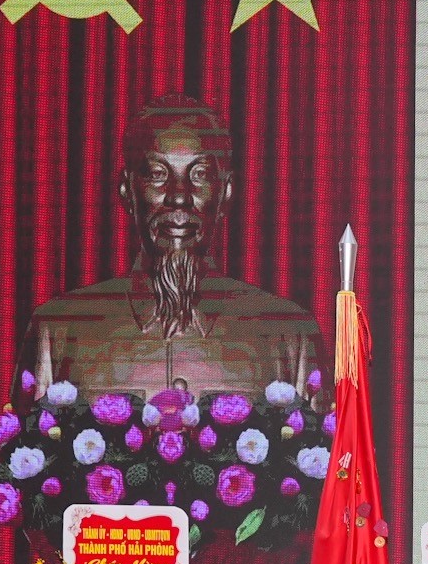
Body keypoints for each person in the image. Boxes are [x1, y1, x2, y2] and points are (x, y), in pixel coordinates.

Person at [22, 94, 317, 400]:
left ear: (225, 193)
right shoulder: (58, 331)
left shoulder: (287, 334)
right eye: (157, 174)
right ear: (127, 190)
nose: (179, 196)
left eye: (199, 174)